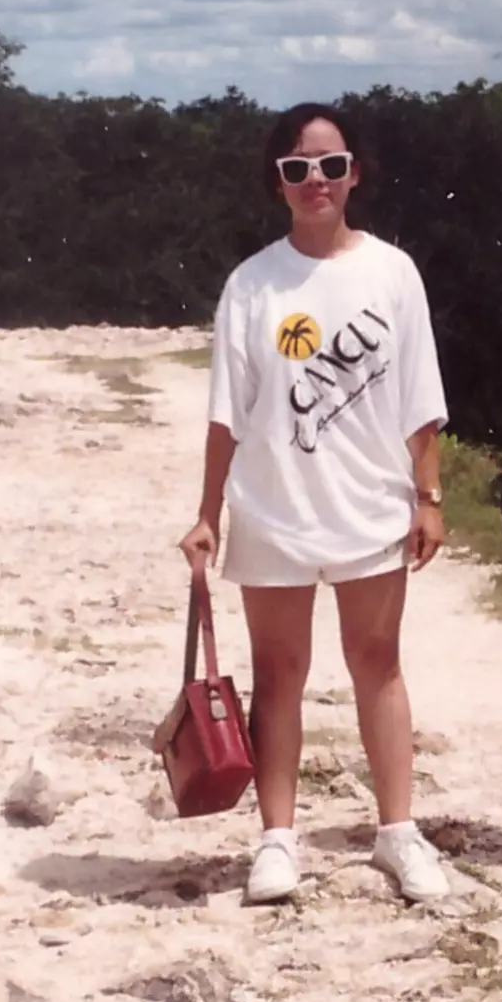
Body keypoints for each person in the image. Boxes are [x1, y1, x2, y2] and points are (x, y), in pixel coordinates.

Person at [178, 102, 452, 906]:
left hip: (371, 504)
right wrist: (208, 513)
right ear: (278, 181)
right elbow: (227, 413)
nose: (315, 181)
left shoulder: (393, 273)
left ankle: (397, 832)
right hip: (274, 508)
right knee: (279, 674)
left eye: (330, 166)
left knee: (378, 663)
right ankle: (277, 839)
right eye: (297, 168)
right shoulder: (251, 283)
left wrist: (428, 496)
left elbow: (420, 400)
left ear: (354, 173)